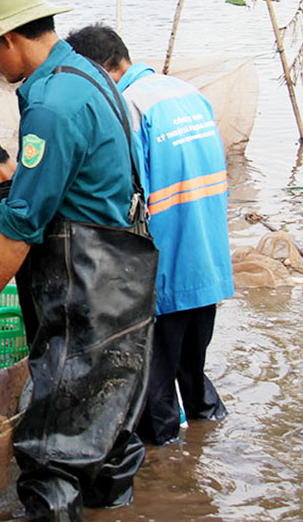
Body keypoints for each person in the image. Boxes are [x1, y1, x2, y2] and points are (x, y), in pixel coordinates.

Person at [0, 0, 158, 521]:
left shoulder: (52, 106)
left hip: (85, 289)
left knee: (53, 445)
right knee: (106, 425)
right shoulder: (83, 71)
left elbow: (25, 223)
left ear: (7, 39)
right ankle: (115, 511)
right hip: (119, 282)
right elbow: (24, 201)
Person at [66, 24, 232, 447]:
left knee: (154, 374)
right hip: (208, 252)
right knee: (193, 363)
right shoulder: (187, 93)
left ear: (102, 71)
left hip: (163, 259)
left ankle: (169, 465)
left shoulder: (127, 107)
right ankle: (207, 425)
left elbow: (126, 191)